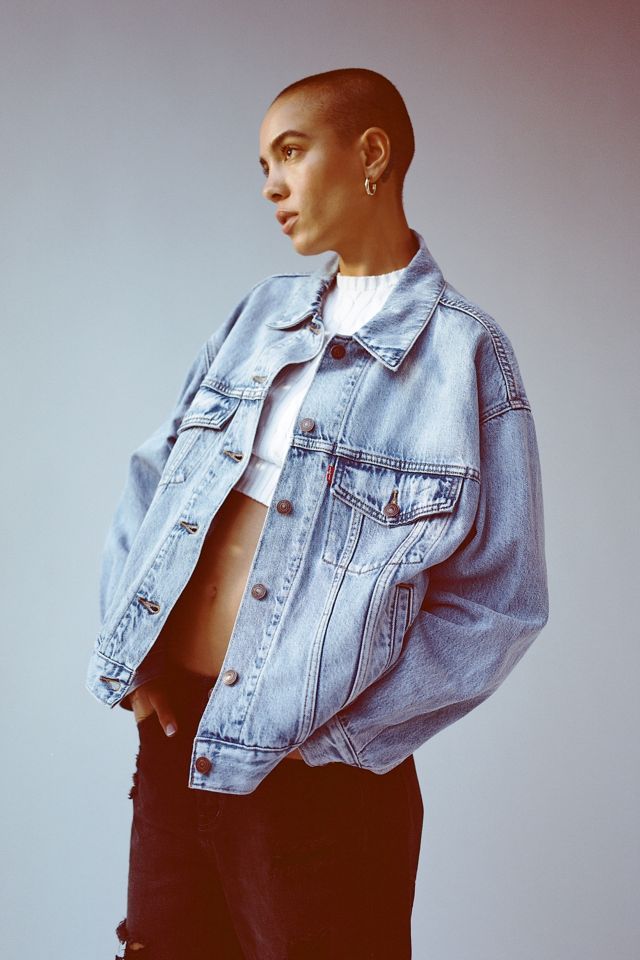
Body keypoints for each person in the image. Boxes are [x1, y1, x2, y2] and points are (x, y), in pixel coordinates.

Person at [87, 68, 549, 960]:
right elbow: (153, 476)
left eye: (290, 153)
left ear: (371, 153)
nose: (271, 184)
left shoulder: (466, 356)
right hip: (178, 743)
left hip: (318, 784)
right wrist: (131, 659)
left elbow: (501, 601)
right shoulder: (259, 316)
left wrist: (346, 737)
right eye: (264, 164)